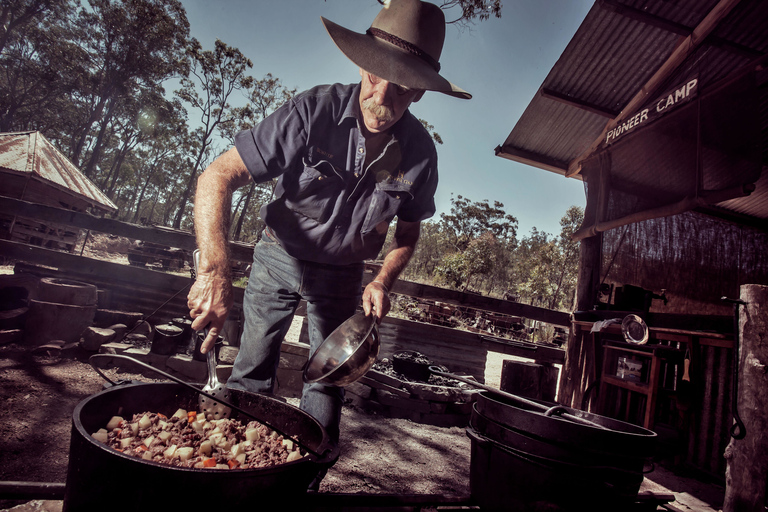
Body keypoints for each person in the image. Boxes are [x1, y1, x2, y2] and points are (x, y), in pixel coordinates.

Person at [186, 0, 470, 485]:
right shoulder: (311, 110)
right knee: (252, 367)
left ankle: (302, 484)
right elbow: (218, 175)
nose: (384, 95)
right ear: (361, 63)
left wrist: (383, 278)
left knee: (327, 380)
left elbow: (409, 230)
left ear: (421, 92)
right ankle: (226, 478)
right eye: (377, 74)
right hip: (279, 254)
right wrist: (214, 268)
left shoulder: (421, 155)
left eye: (403, 86)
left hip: (343, 274)